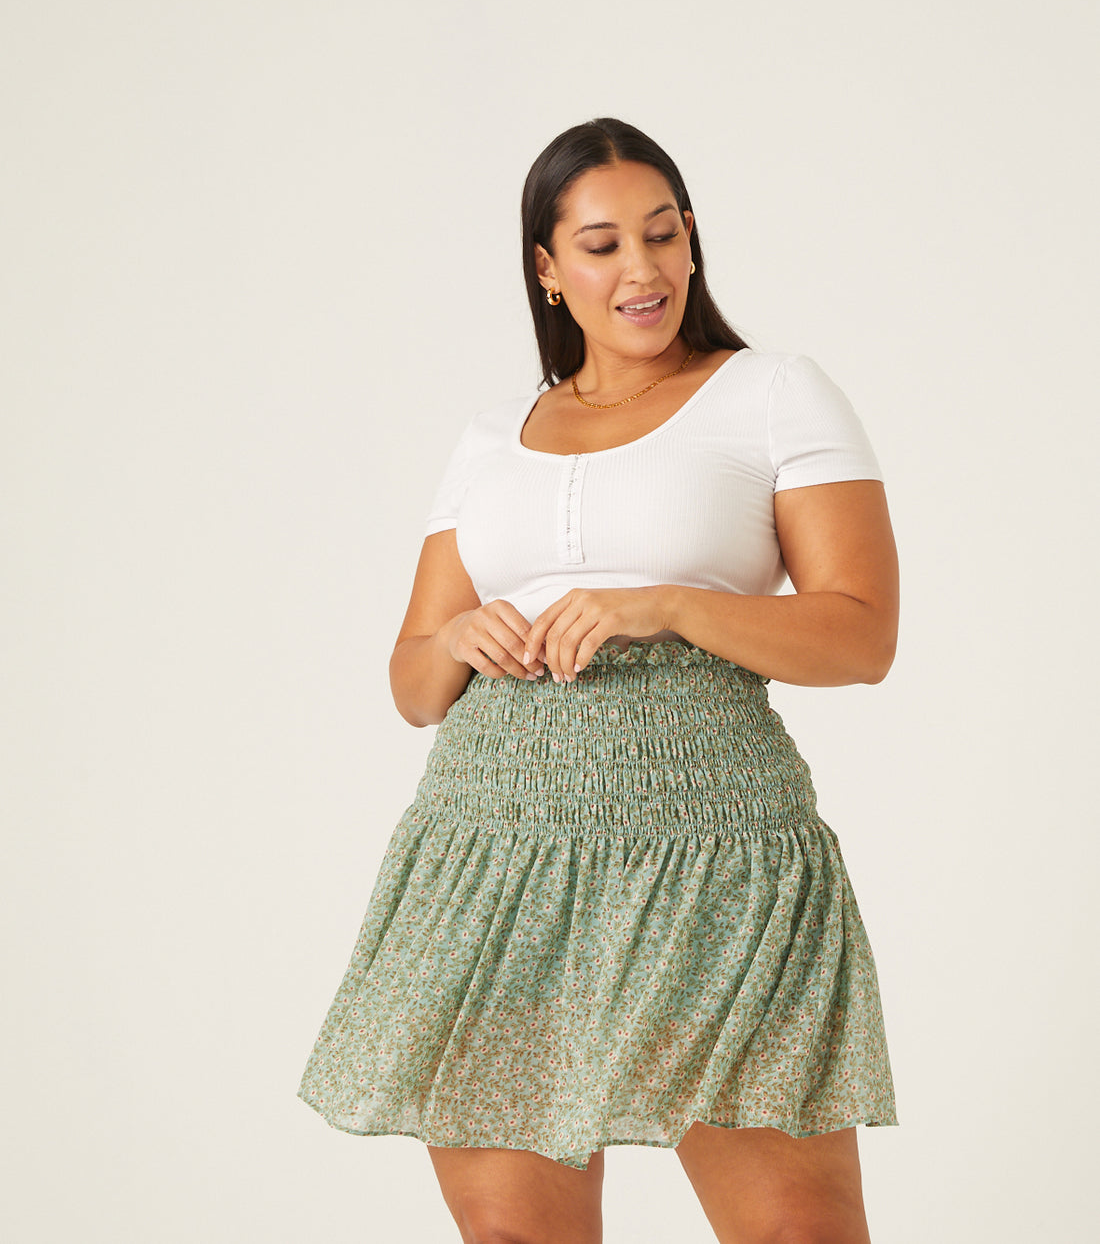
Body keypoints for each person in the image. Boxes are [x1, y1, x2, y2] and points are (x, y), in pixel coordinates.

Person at [299, 117, 899, 1244]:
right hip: (496, 859)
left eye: (662, 235)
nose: (642, 269)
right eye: (602, 244)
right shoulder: (493, 436)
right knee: (516, 1235)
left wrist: (665, 604)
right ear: (546, 267)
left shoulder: (771, 392)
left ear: (691, 240)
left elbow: (861, 635)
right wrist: (459, 635)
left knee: (797, 1229)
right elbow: (413, 681)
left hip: (714, 860)